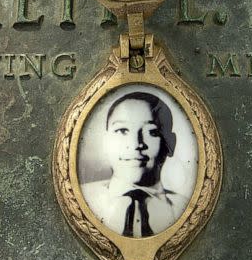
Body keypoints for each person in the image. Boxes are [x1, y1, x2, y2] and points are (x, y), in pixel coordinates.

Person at [81, 92, 189, 238]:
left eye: (152, 132)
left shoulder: (188, 209)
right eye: (122, 130)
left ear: (170, 144)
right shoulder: (83, 199)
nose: (136, 144)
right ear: (105, 142)